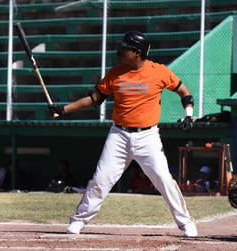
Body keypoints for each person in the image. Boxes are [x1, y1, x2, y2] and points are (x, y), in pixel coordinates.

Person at [48, 30, 197, 237]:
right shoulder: (115, 73)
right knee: (101, 180)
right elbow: (93, 99)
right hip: (119, 135)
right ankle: (78, 221)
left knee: (164, 179)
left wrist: (189, 115)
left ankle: (186, 223)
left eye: (124, 48)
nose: (119, 51)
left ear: (137, 52)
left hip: (148, 136)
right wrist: (63, 110)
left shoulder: (159, 72)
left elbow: (185, 92)